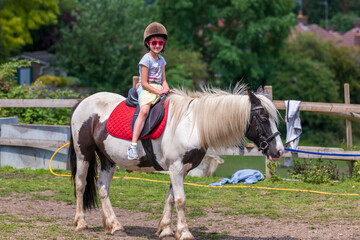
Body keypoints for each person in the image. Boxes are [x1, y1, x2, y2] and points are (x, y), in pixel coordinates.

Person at [127, 22, 171, 160]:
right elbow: (145, 83)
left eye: (160, 42)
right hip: (146, 89)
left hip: (158, 88)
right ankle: (133, 145)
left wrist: (166, 88)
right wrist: (158, 92)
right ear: (148, 43)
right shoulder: (146, 59)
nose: (157, 45)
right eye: (154, 43)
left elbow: (163, 79)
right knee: (144, 111)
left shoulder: (162, 60)